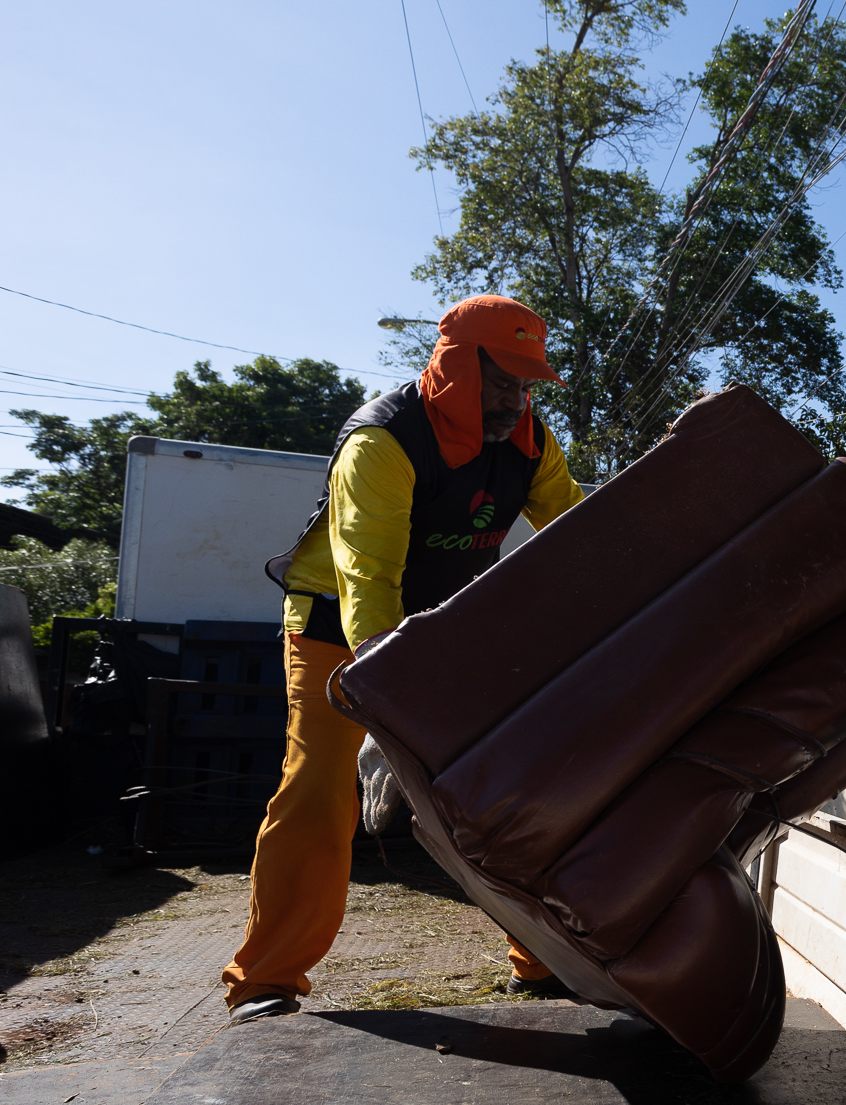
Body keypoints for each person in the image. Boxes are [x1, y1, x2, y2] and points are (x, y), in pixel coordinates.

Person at [222, 295, 588, 1024]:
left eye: (525, 383)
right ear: (455, 365)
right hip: (337, 624)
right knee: (321, 785)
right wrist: (386, 712)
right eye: (501, 380)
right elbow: (369, 584)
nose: (515, 398)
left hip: (446, 627)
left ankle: (544, 960)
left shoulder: (530, 441)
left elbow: (581, 535)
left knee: (505, 785)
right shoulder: (382, 443)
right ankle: (266, 979)